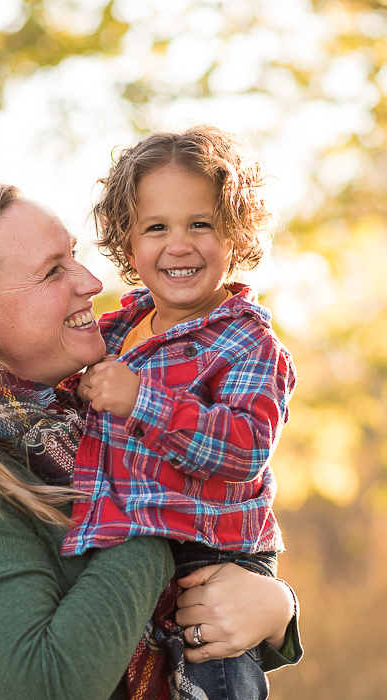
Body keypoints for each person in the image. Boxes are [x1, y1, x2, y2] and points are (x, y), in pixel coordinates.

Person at [0, 183, 302, 700]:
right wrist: (152, 517)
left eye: (74, 256)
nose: (92, 282)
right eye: (53, 271)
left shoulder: (88, 426)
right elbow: (48, 685)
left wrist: (275, 608)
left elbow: (188, 608)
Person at [62, 126, 296, 700]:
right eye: (156, 227)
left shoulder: (246, 343)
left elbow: (243, 448)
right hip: (129, 551)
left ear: (235, 234)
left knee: (213, 681)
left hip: (214, 557)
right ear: (128, 241)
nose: (179, 244)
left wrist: (143, 400)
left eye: (201, 224)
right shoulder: (115, 332)